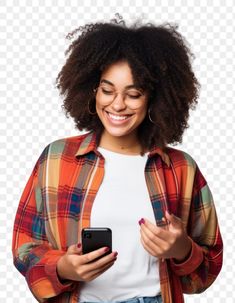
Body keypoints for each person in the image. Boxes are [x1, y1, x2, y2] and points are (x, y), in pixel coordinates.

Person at [12, 13, 223, 303]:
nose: (118, 104)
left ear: (154, 98)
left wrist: (182, 250)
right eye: (107, 90)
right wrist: (62, 267)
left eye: (133, 94)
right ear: (92, 89)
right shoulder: (57, 159)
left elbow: (208, 267)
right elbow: (25, 246)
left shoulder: (181, 168)